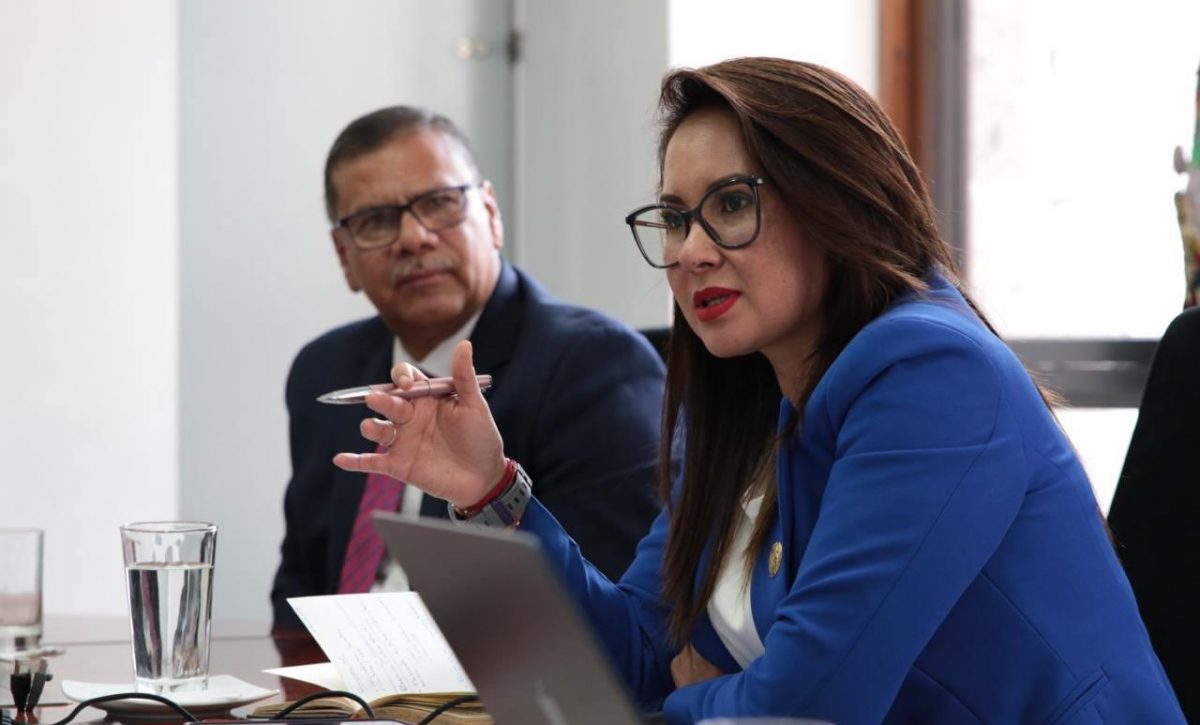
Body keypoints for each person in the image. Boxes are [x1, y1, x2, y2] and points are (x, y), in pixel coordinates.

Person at [332, 59, 1185, 724]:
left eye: (731, 204)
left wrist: (686, 696)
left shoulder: (932, 375)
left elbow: (807, 705)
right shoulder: (744, 399)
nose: (691, 250)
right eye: (672, 217)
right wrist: (491, 490)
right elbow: (632, 651)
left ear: (837, 201)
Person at [270, 106, 664, 630]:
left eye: (437, 203)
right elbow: (299, 587)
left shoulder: (594, 368)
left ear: (491, 214)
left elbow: (610, 613)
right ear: (345, 258)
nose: (413, 237)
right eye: (376, 221)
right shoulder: (323, 371)